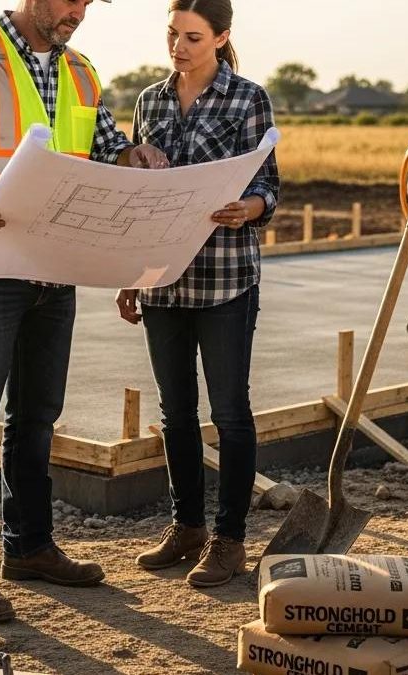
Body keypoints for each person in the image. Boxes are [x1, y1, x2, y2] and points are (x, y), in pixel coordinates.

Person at [0, 0, 168, 624]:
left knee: (37, 418)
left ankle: (28, 549)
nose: (79, 11)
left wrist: (133, 156)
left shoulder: (80, 70)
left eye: (88, 2)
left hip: (55, 266)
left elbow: (106, 147)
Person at [115, 0, 280, 588]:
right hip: (162, 279)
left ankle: (229, 541)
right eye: (172, 35)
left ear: (221, 37)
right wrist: (131, 275)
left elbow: (268, 184)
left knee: (230, 413)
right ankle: (186, 528)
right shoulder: (150, 101)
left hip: (225, 278)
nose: (178, 47)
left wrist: (248, 208)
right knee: (175, 413)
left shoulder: (248, 98)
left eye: (192, 37)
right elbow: (139, 197)